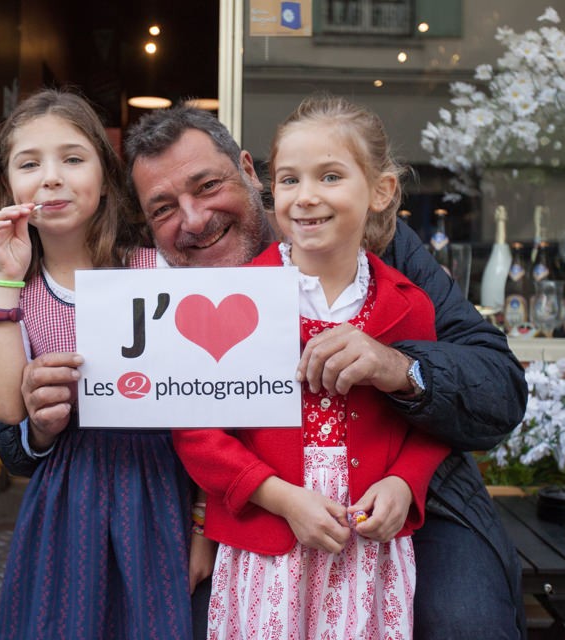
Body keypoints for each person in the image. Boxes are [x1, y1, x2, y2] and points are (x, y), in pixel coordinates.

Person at [0, 102, 529, 639]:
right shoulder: (145, 285)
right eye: (163, 209)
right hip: (242, 513)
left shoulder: (369, 241)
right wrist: (42, 422)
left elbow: (498, 387)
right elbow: (19, 439)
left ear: (251, 173)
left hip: (406, 503)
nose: (195, 220)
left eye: (207, 186)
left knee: (466, 623)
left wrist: (399, 368)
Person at [171, 94, 452, 637]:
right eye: (291, 180)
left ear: (380, 191)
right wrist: (280, 496)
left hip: (365, 548)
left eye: (329, 177)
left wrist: (404, 483)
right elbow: (196, 429)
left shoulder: (408, 304)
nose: (305, 197)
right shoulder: (237, 297)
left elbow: (432, 415)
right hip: (269, 538)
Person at [0, 88, 200, 639]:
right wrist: (5, 278)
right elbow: (3, 404)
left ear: (105, 174)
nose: (52, 177)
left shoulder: (156, 269)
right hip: (69, 498)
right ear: (7, 188)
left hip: (158, 486)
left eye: (73, 159)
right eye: (30, 164)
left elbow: (205, 397)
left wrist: (204, 523)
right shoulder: (15, 289)